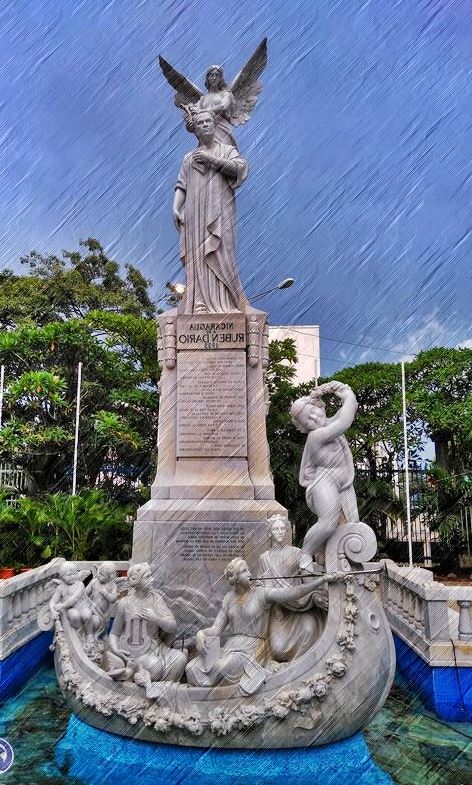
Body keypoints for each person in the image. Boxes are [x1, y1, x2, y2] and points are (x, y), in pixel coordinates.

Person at [186, 558, 341, 694]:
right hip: (231, 647)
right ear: (235, 578)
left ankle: (223, 695)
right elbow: (215, 629)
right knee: (191, 668)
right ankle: (216, 695)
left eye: (248, 569)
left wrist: (320, 581)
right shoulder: (228, 598)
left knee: (220, 668)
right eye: (244, 571)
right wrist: (201, 634)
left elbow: (292, 593)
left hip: (253, 648)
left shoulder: (262, 593)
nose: (249, 573)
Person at [173, 109, 250, 314]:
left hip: (220, 209)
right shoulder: (188, 158)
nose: (206, 124)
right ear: (195, 130)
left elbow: (240, 168)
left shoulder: (226, 150)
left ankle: (227, 302)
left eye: (208, 121)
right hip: (195, 213)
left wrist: (212, 160)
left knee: (222, 252)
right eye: (201, 123)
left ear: (214, 125)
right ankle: (199, 302)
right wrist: (176, 207)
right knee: (197, 255)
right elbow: (182, 185)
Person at [291, 381, 360, 570]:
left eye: (313, 412)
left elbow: (344, 414)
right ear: (305, 427)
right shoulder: (317, 436)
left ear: (320, 406)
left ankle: (334, 556)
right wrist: (347, 393)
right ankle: (306, 553)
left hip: (341, 484)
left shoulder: (329, 424)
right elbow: (345, 421)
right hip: (323, 482)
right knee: (329, 521)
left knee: (352, 524)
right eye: (308, 421)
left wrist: (341, 393)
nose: (314, 418)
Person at [257, 515, 327, 662]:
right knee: (278, 650)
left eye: (282, 528)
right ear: (270, 533)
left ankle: (302, 669)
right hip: (279, 611)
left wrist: (315, 596)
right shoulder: (265, 558)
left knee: (309, 631)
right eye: (276, 529)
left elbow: (309, 582)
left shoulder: (297, 553)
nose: (280, 532)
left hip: (302, 605)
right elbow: (262, 590)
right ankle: (289, 671)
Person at [108, 562, 187, 687]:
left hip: (157, 648)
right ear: (137, 581)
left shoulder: (156, 599)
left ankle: (162, 689)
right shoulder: (124, 603)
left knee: (180, 658)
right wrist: (116, 650)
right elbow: (114, 633)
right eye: (147, 577)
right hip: (135, 652)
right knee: (155, 667)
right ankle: (139, 678)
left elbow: (173, 626)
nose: (152, 580)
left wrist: (156, 619)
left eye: (151, 575)